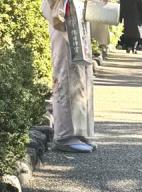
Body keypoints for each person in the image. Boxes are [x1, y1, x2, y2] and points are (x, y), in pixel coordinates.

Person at [41, 0, 106, 153]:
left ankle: (80, 132)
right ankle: (64, 136)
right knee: (66, 70)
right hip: (65, 11)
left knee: (81, 72)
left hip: (78, 10)